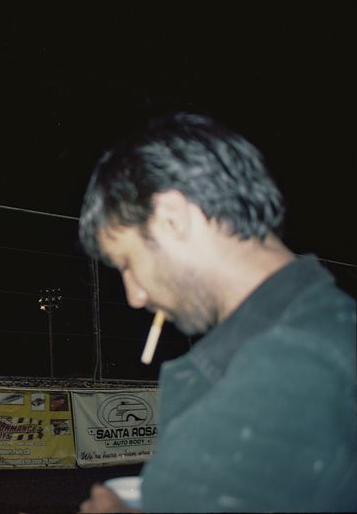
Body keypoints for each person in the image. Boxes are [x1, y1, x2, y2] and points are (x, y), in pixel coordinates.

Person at [76, 113, 356, 512]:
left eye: (127, 263)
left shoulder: (284, 367)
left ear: (173, 219)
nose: (135, 296)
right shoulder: (328, 326)